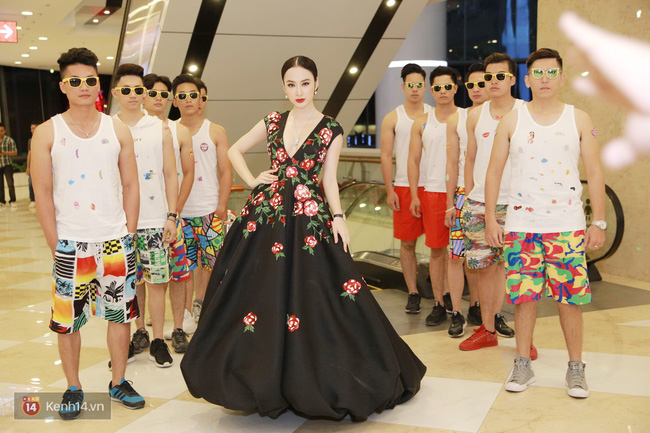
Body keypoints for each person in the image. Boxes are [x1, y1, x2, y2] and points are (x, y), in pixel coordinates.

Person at [180, 55, 426, 421]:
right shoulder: (273, 121)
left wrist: (339, 217)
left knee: (320, 291)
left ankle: (314, 374)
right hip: (267, 216)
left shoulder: (330, 128)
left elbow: (330, 180)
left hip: (310, 219)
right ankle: (258, 375)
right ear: (284, 87)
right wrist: (252, 180)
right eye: (292, 84)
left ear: (317, 84)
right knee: (259, 292)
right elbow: (233, 150)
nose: (299, 91)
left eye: (305, 83)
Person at [31, 47, 144, 419]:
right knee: (67, 322)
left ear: (99, 84)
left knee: (120, 316)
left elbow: (131, 185)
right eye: (75, 80)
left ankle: (119, 381)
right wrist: (55, 243)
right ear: (63, 85)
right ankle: (73, 386)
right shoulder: (47, 132)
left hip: (115, 240)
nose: (83, 86)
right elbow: (42, 193)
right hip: (71, 242)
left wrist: (128, 234)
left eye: (90, 80)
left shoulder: (117, 129)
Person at [485, 48, 606, 398]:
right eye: (538, 73)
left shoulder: (578, 119)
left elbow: (595, 171)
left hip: (566, 226)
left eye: (551, 72)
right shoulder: (512, 121)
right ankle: (522, 364)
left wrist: (598, 221)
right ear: (527, 79)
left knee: (570, 300)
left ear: (562, 78)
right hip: (522, 225)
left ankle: (576, 368)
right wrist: (491, 217)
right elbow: (493, 172)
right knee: (524, 298)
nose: (544, 79)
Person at [112, 63, 178, 367]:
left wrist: (172, 216)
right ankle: (136, 334)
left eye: (138, 89)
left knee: (156, 282)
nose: (133, 95)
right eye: (126, 90)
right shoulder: (108, 127)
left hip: (154, 220)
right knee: (128, 283)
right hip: (118, 223)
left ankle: (158, 340)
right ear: (116, 93)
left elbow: (170, 173)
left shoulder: (159, 127)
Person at [460, 52, 521, 351]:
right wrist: (469, 197)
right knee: (484, 269)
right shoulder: (475, 116)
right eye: (488, 77)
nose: (493, 82)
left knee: (519, 270)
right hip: (479, 204)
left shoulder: (525, 112)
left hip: (518, 204)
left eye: (500, 76)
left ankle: (524, 337)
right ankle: (487, 329)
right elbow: (470, 159)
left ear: (512, 79)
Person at [142, 72, 196, 352]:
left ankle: (177, 329)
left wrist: (175, 210)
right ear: (143, 95)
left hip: (172, 217)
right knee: (140, 277)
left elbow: (188, 173)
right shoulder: (130, 129)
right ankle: (141, 331)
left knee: (178, 274)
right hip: (141, 217)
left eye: (164, 94)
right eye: (153, 93)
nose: (159, 99)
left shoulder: (179, 131)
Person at [172, 74, 232, 323]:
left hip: (209, 210)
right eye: (182, 96)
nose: (188, 100)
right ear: (175, 101)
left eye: (192, 95)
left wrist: (221, 206)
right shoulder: (169, 131)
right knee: (183, 269)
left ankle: (207, 311)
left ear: (200, 99)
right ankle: (185, 316)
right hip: (179, 213)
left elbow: (226, 171)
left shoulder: (215, 131)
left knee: (213, 266)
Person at [407, 66, 461, 327]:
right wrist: (415, 195)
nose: (443, 92)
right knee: (437, 251)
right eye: (438, 88)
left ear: (455, 88)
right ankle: (439, 302)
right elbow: (413, 160)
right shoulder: (422, 122)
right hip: (432, 192)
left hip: (461, 193)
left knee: (461, 254)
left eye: (447, 87)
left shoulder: (466, 117)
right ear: (432, 90)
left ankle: (467, 303)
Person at [380, 63, 432, 314]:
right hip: (403, 187)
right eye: (410, 85)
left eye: (419, 85)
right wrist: (389, 190)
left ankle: (442, 295)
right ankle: (413, 292)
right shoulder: (393, 117)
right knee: (407, 243)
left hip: (433, 186)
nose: (414, 89)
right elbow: (385, 155)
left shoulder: (435, 114)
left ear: (425, 86)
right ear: (403, 87)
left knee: (439, 246)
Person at [443, 63, 488, 336]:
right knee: (455, 256)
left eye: (482, 84)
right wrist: (450, 203)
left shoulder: (502, 118)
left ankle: (485, 311)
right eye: (471, 85)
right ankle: (457, 312)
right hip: (462, 195)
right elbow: (451, 164)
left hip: (492, 195)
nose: (476, 89)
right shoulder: (456, 119)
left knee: (489, 260)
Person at [0, 122, 18, 208]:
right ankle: (1, 201)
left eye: (1, 131)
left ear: (5, 131)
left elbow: (15, 152)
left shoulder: (9, 140)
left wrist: (5, 153)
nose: (0, 133)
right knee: (0, 185)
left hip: (7, 164)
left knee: (10, 183)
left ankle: (12, 200)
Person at [26, 121, 40, 208]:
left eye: (33, 128)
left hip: (42, 163)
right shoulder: (30, 141)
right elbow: (29, 153)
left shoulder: (43, 138)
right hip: (33, 164)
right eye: (31, 129)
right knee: (31, 182)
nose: (32, 130)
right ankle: (32, 199)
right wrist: (28, 166)